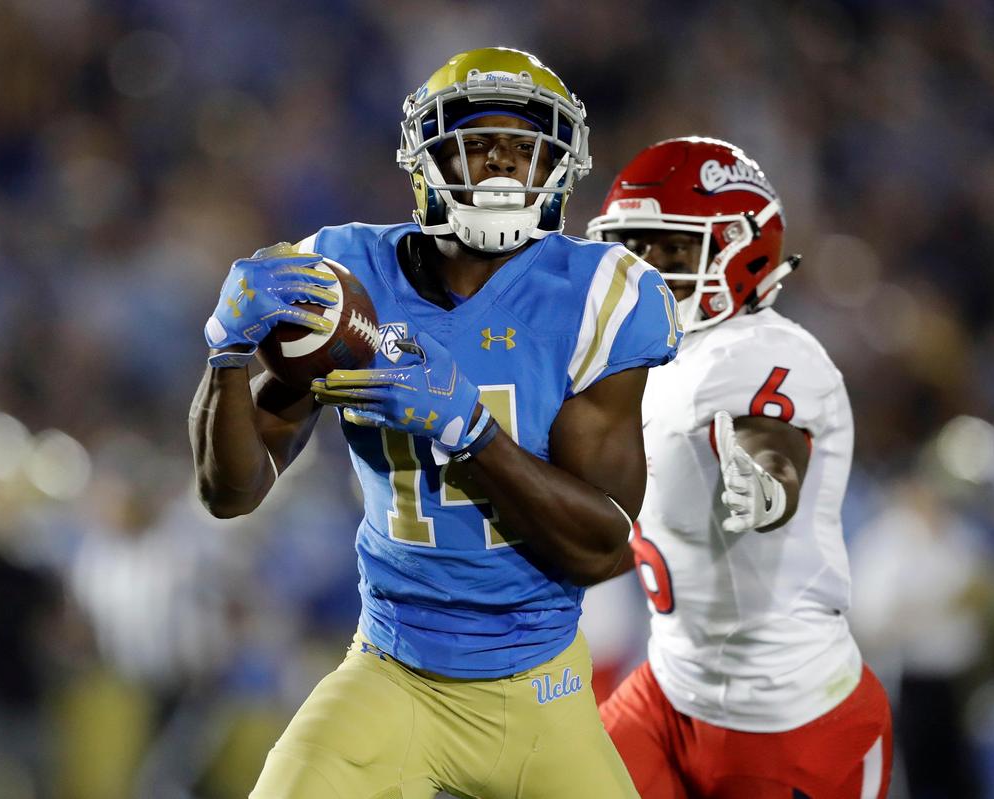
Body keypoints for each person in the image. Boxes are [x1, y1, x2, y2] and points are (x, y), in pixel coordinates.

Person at [189, 47, 680, 799]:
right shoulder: (350, 280)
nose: (500, 166)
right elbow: (232, 491)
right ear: (427, 160)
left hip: (538, 688)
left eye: (523, 148)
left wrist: (471, 433)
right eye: (477, 143)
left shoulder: (594, 298)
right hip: (392, 672)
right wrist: (225, 355)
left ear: (556, 168)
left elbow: (605, 546)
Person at [586, 137, 893, 799]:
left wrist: (761, 480)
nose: (646, 268)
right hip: (669, 690)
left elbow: (772, 440)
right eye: (634, 247)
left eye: (671, 249)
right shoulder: (644, 362)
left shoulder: (757, 349)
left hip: (789, 719)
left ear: (740, 248)